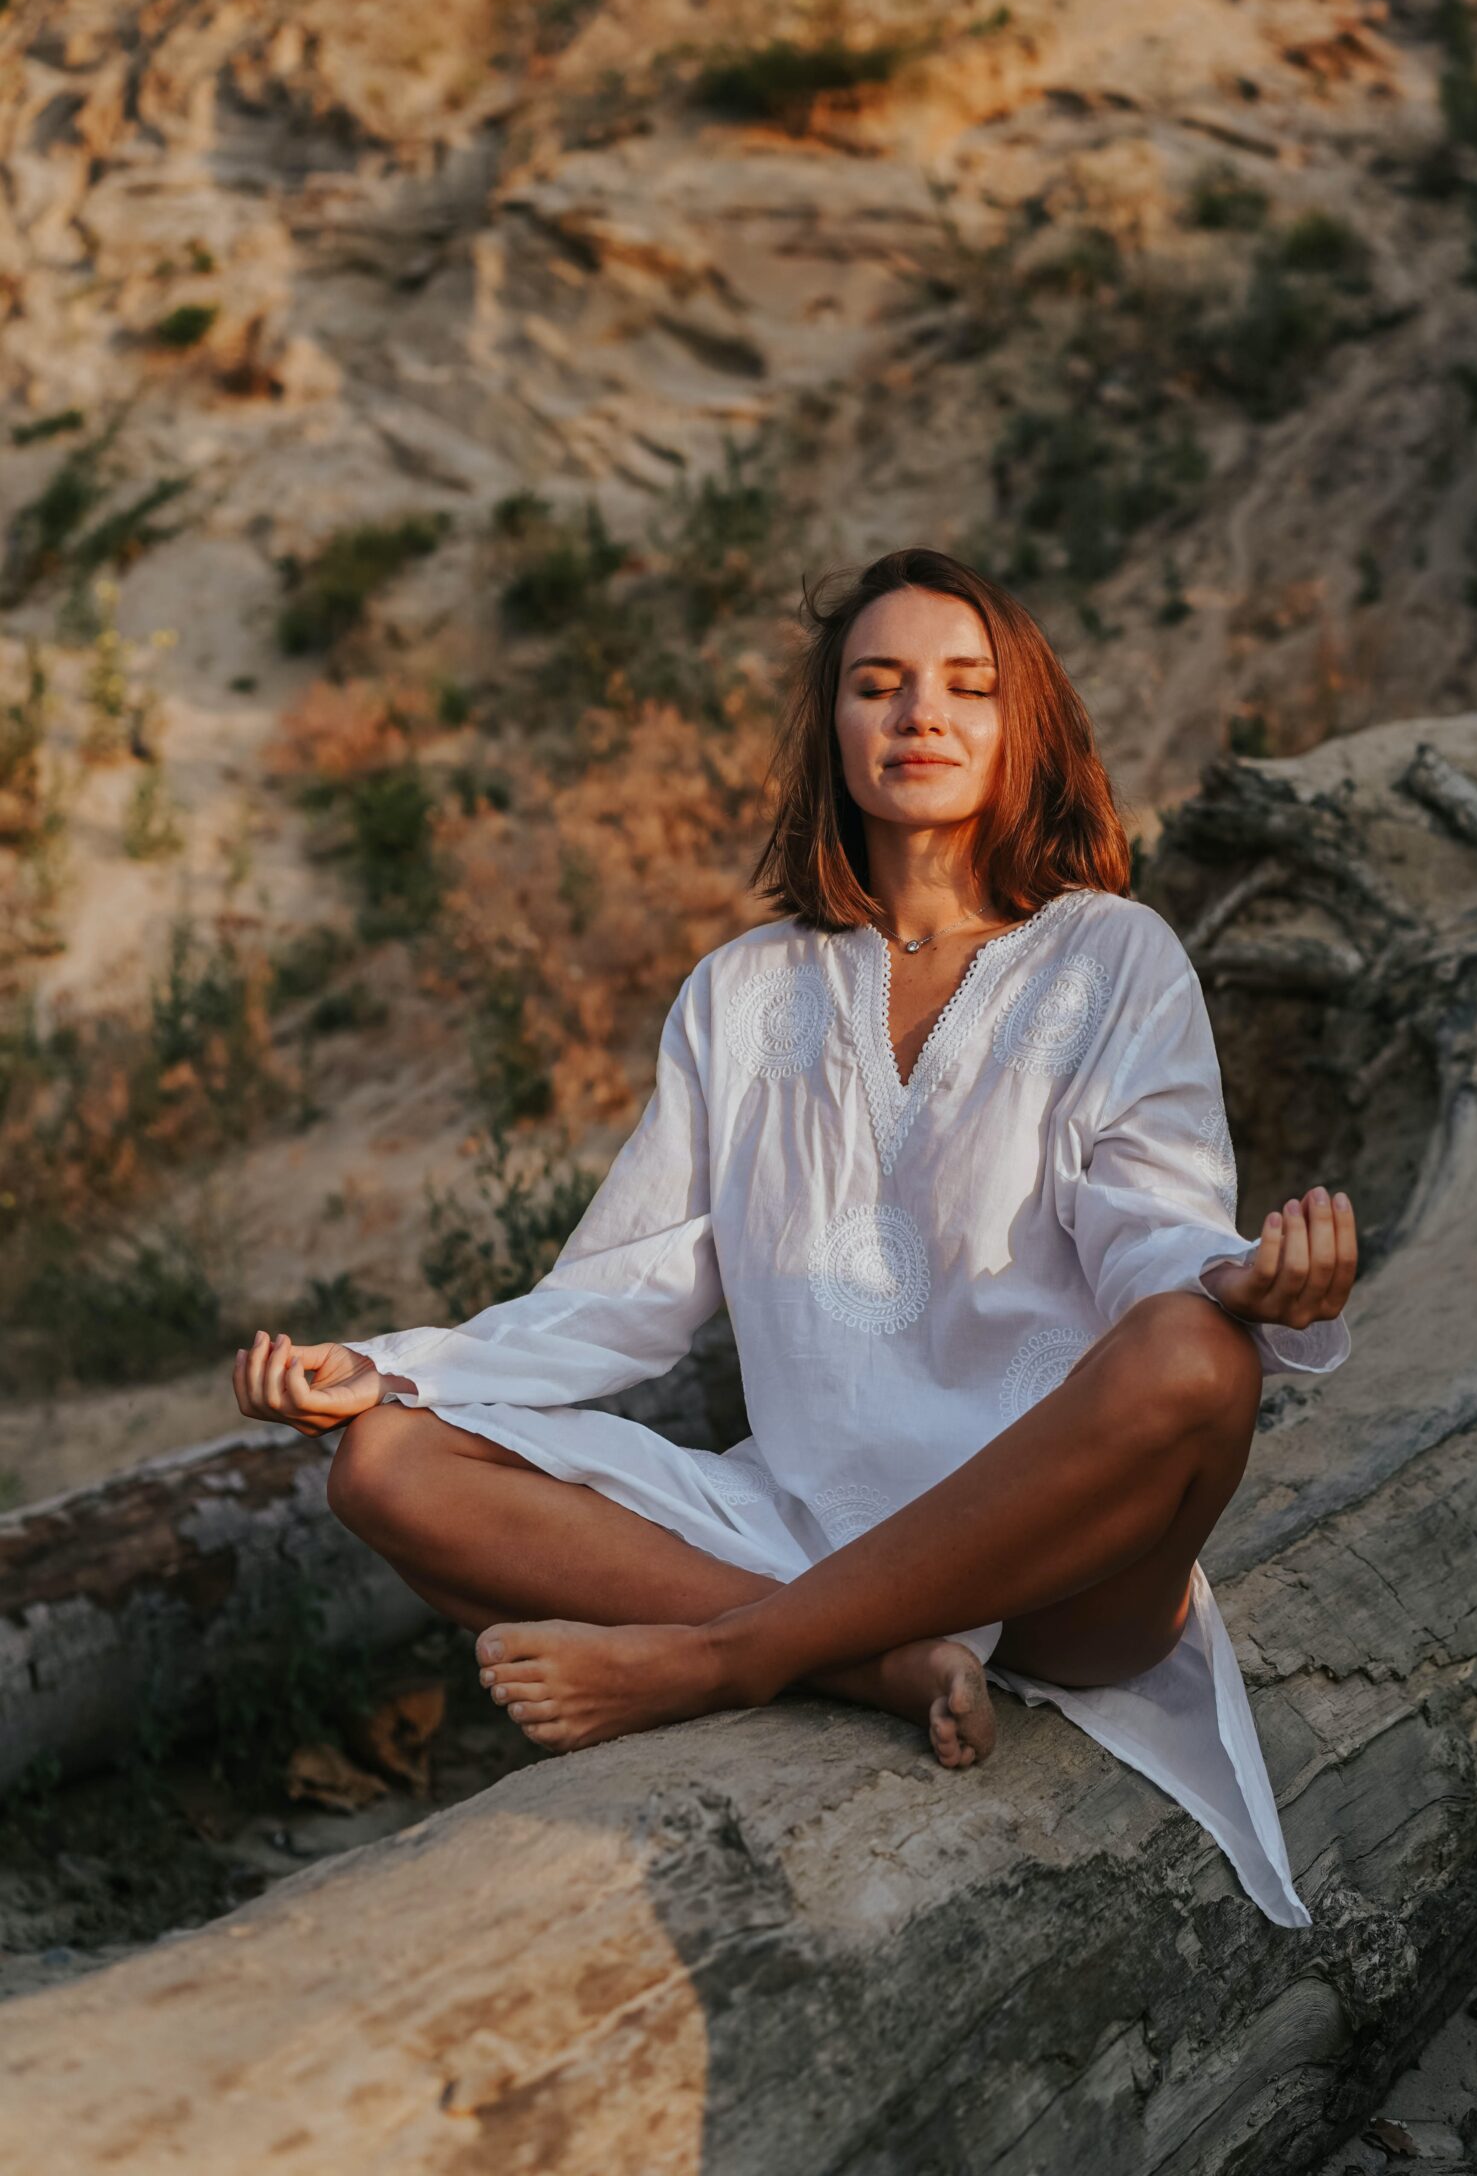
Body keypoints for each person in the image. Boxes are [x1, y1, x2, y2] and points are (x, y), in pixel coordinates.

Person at [233, 547, 1355, 1928]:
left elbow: (1149, 1220)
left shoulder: (1113, 957)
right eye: (877, 685)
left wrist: (1237, 1279)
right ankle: (870, 1662)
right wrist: (393, 1366)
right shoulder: (743, 993)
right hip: (799, 1523)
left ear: (1025, 730)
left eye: (966, 687)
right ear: (834, 728)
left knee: (1200, 1355)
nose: (919, 715)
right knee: (389, 1467)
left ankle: (721, 1659)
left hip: (1057, 1558)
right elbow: (625, 1289)